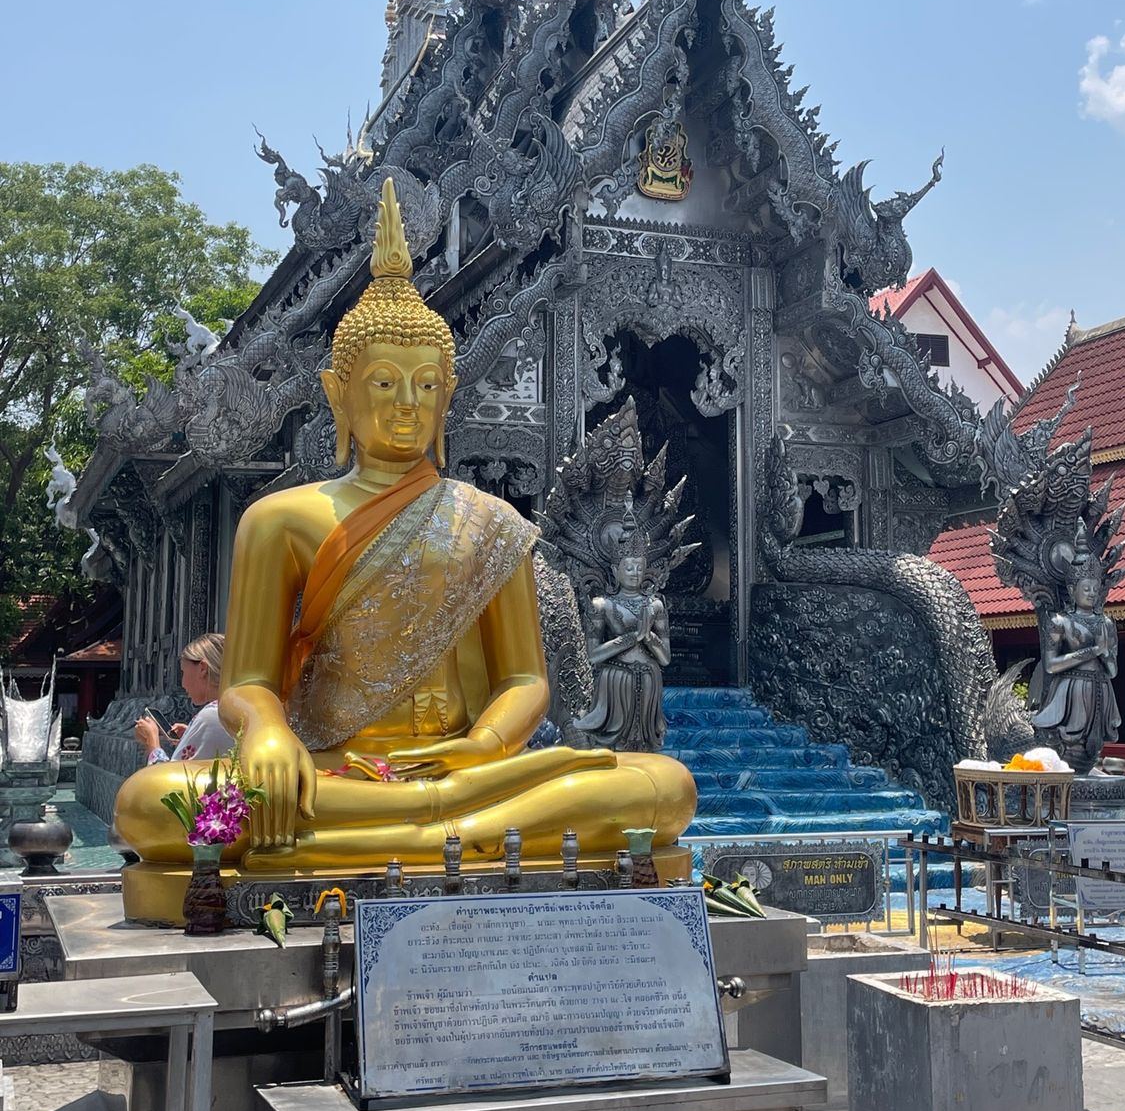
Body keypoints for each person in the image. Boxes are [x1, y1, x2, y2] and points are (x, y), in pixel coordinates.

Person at [114, 180, 695, 913]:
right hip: (328, 774)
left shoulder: (489, 521)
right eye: (384, 382)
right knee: (150, 802)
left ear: (448, 396)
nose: (406, 405)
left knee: (662, 789)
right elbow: (247, 680)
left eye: (427, 386)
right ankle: (456, 837)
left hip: (467, 772)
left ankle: (415, 831)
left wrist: (480, 752)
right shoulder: (281, 519)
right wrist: (263, 730)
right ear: (338, 393)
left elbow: (525, 683)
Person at [573, 503, 670, 753]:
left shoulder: (656, 605)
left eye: (639, 567)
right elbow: (593, 655)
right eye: (629, 567)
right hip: (614, 681)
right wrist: (630, 638)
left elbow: (665, 658)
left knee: (645, 748)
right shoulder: (602, 605)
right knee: (616, 748)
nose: (635, 573)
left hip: (649, 680)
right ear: (616, 571)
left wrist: (647, 637)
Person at [1028, 523, 1120, 774]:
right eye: (1086, 588)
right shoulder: (1060, 622)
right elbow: (1051, 665)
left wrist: (1104, 653)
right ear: (1072, 589)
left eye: (1095, 588)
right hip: (1070, 689)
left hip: (1101, 689)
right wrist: (1092, 651)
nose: (1091, 593)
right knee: (1070, 743)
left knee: (1094, 744)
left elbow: (1112, 670)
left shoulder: (1107, 623)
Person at [133, 634, 236, 765]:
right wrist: (193, 733)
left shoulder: (211, 716)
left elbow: (168, 781)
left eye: (183, 672)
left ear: (203, 669)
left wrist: (152, 741)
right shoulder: (232, 709)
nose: (182, 683)